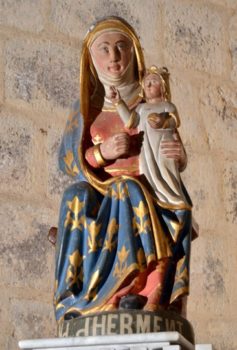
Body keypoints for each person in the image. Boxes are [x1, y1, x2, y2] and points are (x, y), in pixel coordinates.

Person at [54, 16, 192, 323]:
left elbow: (170, 141)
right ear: (91, 59)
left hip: (147, 185)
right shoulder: (86, 109)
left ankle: (133, 289)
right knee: (74, 194)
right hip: (99, 190)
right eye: (103, 49)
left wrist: (179, 156)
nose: (113, 57)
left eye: (121, 47)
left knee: (127, 189)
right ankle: (73, 299)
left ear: (134, 53)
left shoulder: (150, 102)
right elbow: (68, 160)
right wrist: (103, 153)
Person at [108, 65, 191, 208]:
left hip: (164, 147)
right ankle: (156, 200)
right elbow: (130, 122)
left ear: (163, 87)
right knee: (150, 174)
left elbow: (175, 121)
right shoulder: (141, 108)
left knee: (167, 173)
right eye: (146, 83)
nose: (148, 85)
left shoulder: (167, 106)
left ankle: (173, 199)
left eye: (153, 81)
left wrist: (163, 122)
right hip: (146, 149)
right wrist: (118, 103)